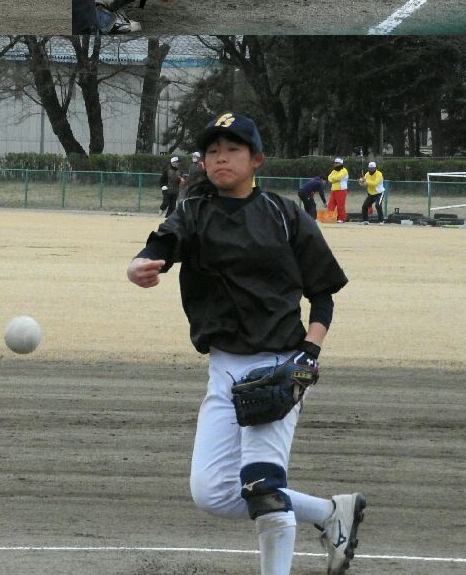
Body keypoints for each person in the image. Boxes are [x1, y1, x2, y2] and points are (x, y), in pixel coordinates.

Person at [126, 111, 364, 575]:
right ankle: (330, 512)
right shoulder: (193, 211)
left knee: (263, 487)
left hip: (279, 363)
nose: (221, 158)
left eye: (232, 149)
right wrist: (141, 263)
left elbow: (323, 295)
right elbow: (164, 243)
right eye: (212, 151)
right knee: (212, 493)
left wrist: (308, 355)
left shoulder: (284, 213)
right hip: (223, 367)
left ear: (256, 159)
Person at [326, 157, 349, 223]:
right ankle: (330, 218)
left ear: (341, 164)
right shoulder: (334, 171)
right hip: (333, 190)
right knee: (331, 205)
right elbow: (329, 178)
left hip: (341, 190)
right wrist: (334, 179)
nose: (335, 164)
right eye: (335, 163)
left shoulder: (344, 170)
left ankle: (341, 218)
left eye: (337, 163)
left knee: (340, 205)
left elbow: (338, 177)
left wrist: (334, 179)